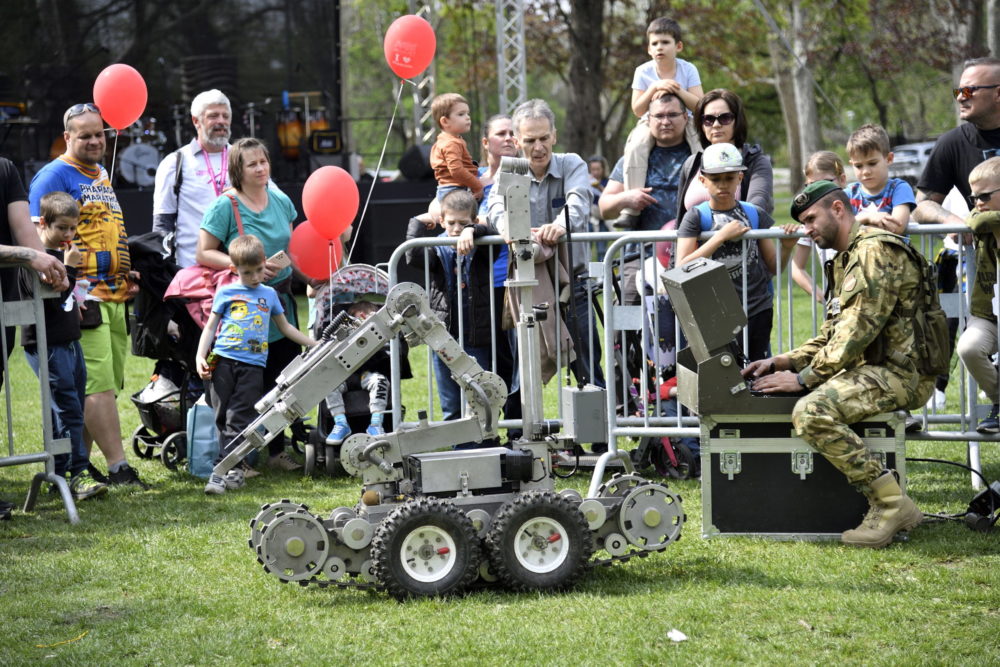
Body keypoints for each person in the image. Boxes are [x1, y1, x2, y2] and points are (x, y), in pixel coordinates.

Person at [744, 180, 930, 548]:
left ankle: (892, 504)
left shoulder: (874, 251)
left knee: (811, 411)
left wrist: (804, 379)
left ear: (839, 209)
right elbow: (834, 331)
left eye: (812, 219)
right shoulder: (847, 257)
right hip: (873, 366)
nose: (807, 230)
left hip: (901, 373)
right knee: (810, 400)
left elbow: (859, 330)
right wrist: (784, 359)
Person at [28, 103, 149, 489]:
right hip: (83, 300)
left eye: (100, 134)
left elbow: (106, 230)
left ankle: (72, 467)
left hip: (114, 296)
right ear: (68, 138)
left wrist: (124, 266)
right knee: (97, 388)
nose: (96, 140)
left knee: (98, 386)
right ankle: (119, 468)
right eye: (86, 135)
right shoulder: (53, 176)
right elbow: (37, 239)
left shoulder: (100, 174)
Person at [197, 137, 306, 471]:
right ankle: (239, 455)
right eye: (252, 164)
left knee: (283, 378)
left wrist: (311, 277)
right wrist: (242, 266)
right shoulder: (225, 205)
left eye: (264, 161)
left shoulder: (281, 200)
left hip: (279, 301)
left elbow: (294, 247)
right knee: (246, 387)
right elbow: (203, 252)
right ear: (237, 170)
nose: (261, 168)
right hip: (243, 309)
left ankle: (277, 451)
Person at [486, 98, 603, 388]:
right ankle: (520, 433)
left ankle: (602, 433)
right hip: (529, 287)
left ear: (554, 136)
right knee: (523, 372)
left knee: (588, 369)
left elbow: (579, 201)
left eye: (543, 138)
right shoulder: (511, 169)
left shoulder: (571, 163)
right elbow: (494, 208)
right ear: (516, 140)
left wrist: (559, 225)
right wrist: (510, 230)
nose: (538, 147)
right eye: (530, 140)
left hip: (574, 285)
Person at [196, 235, 316, 494]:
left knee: (238, 417)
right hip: (222, 362)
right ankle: (234, 469)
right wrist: (199, 356)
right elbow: (210, 327)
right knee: (222, 417)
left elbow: (285, 328)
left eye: (259, 270)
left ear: (265, 263)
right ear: (234, 269)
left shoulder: (270, 294)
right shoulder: (226, 292)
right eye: (247, 272)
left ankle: (219, 471)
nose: (254, 277)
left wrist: (313, 343)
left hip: (252, 366)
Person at [20, 192, 105, 500]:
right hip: (47, 344)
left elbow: (64, 300)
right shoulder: (35, 256)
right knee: (67, 407)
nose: (69, 235)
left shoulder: (59, 252)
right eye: (63, 228)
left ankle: (60, 469)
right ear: (43, 223)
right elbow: (48, 303)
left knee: (71, 406)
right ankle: (79, 472)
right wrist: (69, 271)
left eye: (73, 228)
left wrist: (75, 294)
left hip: (70, 342)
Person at [676, 143, 794, 361]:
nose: (723, 185)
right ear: (702, 180)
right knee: (722, 375)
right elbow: (682, 265)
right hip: (714, 310)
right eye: (716, 179)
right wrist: (720, 237)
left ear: (740, 177)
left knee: (754, 370)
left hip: (757, 307)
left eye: (729, 178)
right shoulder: (695, 216)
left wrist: (787, 247)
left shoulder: (754, 213)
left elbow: (774, 266)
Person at [0, 157, 69, 518]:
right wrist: (29, 255)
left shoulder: (5, 168)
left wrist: (50, 266)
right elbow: (27, 248)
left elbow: (25, 232)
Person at [406, 190, 497, 428]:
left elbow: (493, 232)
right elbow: (412, 255)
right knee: (450, 400)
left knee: (482, 391)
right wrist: (417, 223)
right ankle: (458, 444)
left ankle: (486, 441)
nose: (456, 228)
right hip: (444, 336)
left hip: (477, 336)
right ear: (443, 222)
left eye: (463, 223)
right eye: (452, 223)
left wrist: (473, 231)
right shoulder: (437, 249)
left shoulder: (483, 249)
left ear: (474, 222)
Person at [599, 93, 692, 305]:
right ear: (648, 120)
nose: (666, 121)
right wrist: (626, 199)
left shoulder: (699, 156)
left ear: (686, 117)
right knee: (625, 326)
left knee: (690, 329)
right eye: (659, 116)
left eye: (672, 115)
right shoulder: (632, 158)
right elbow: (604, 208)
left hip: (689, 254)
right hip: (638, 256)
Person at [617, 16, 703, 229]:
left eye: (665, 42)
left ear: (678, 46)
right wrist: (654, 88)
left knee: (700, 145)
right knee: (636, 144)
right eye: (655, 43)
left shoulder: (688, 69)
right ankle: (632, 208)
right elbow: (637, 109)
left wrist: (677, 90)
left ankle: (703, 197)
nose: (659, 47)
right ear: (648, 49)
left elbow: (700, 105)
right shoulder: (643, 72)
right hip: (651, 121)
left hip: (685, 120)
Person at [152, 89, 234, 268]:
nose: (221, 121)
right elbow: (162, 224)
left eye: (225, 116)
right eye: (213, 116)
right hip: (193, 272)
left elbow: (272, 203)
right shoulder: (175, 162)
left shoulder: (245, 159)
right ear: (196, 120)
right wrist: (166, 270)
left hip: (239, 271)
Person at [914, 57, 1000, 226]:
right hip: (987, 251)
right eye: (958, 91)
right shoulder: (952, 143)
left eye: (969, 90)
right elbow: (921, 205)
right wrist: (950, 220)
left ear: (998, 94)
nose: (960, 97)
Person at [676, 88, 773, 225]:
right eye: (708, 119)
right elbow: (680, 220)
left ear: (737, 121)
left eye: (725, 118)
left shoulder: (756, 162)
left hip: (742, 243)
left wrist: (719, 236)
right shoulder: (692, 163)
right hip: (695, 246)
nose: (716, 125)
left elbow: (757, 209)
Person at [956, 157, 1000, 432]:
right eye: (973, 198)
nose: (978, 203)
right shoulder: (981, 219)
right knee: (968, 348)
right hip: (988, 314)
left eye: (985, 196)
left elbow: (978, 220)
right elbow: (973, 219)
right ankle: (999, 402)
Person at [323, 301, 389, 443]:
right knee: (327, 385)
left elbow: (386, 358)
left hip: (367, 374)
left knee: (381, 381)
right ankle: (340, 423)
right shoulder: (341, 333)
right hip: (343, 376)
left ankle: (376, 424)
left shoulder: (383, 334)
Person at [787, 151, 847, 299]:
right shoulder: (811, 220)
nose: (818, 191)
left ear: (842, 180)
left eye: (825, 183)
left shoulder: (857, 206)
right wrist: (823, 297)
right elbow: (796, 267)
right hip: (838, 308)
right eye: (810, 186)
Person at [844, 123, 915, 235]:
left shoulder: (899, 189)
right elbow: (841, 229)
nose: (866, 171)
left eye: (872, 163)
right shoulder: (848, 193)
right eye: (858, 166)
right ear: (851, 164)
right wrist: (867, 217)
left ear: (889, 159)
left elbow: (896, 228)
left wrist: (855, 226)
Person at [429, 93, 483, 202]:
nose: (467, 117)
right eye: (461, 114)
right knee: (465, 218)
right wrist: (477, 186)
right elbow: (457, 170)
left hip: (448, 190)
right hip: (455, 191)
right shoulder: (451, 143)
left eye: (468, 113)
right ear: (445, 121)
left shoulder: (443, 141)